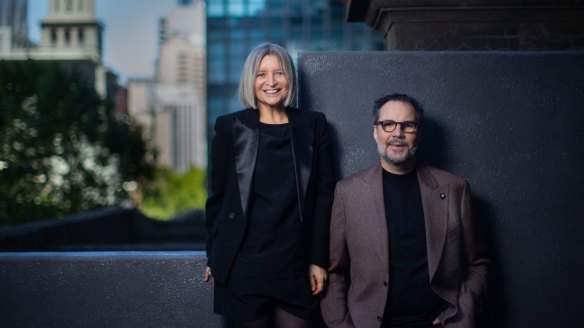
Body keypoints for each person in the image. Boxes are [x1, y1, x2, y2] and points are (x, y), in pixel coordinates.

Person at [320, 93, 490, 328]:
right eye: (388, 124)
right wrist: (341, 324)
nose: (397, 134)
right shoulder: (347, 193)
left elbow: (477, 263)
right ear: (375, 131)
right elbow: (334, 271)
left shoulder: (454, 188)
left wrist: (463, 312)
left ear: (418, 132)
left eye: (407, 125)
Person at [203, 43, 335, 328]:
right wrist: (214, 253)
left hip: (295, 266)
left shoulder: (314, 126)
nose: (271, 82)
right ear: (250, 80)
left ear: (290, 78)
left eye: (279, 73)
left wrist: (318, 259)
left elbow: (324, 200)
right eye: (261, 74)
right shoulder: (229, 127)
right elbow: (218, 198)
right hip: (243, 268)